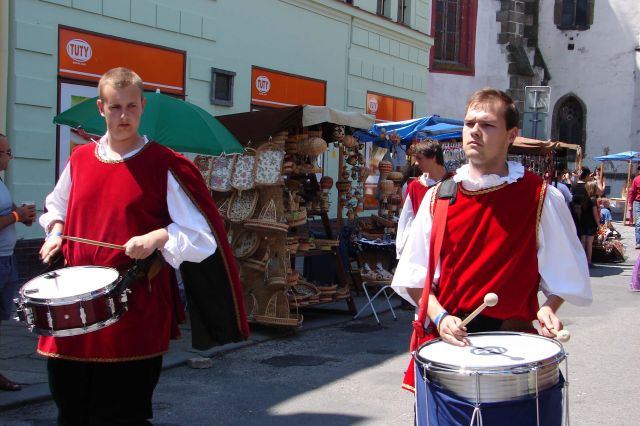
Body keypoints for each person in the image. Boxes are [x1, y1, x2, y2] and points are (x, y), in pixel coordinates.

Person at [37, 67, 249, 425]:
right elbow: (56, 208)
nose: (123, 116)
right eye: (115, 107)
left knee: (124, 413)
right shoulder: (79, 161)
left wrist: (159, 236)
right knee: (70, 408)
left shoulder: (165, 164)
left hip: (133, 305)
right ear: (101, 108)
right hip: (73, 306)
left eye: (131, 106)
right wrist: (55, 231)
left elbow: (201, 236)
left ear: (142, 106)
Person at [391, 88, 592, 393]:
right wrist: (440, 316)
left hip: (513, 350)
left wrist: (549, 306)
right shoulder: (438, 197)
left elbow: (566, 270)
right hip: (449, 348)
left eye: (487, 125)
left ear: (511, 134)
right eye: (469, 123)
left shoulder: (539, 196)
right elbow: (414, 276)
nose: (474, 131)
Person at [0, 133, 36, 391]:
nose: (10, 157)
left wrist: (22, 216)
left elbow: (7, 210)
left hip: (7, 258)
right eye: (7, 152)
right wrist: (16, 215)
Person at [395, 139, 452, 258]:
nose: (416, 163)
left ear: (433, 157)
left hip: (448, 245)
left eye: (420, 158)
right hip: (421, 247)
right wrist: (402, 248)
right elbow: (407, 218)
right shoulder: (415, 186)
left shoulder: (455, 182)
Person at [578, 180, 599, 267]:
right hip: (591, 223)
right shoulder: (593, 200)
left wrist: (580, 220)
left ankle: (581, 261)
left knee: (583, 241)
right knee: (589, 243)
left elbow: (579, 211)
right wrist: (598, 224)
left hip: (583, 222)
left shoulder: (583, 198)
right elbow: (595, 213)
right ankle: (588, 261)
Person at [627, 165, 640, 249]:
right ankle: (638, 242)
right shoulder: (636, 179)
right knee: (638, 223)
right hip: (638, 203)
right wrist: (630, 204)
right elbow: (632, 193)